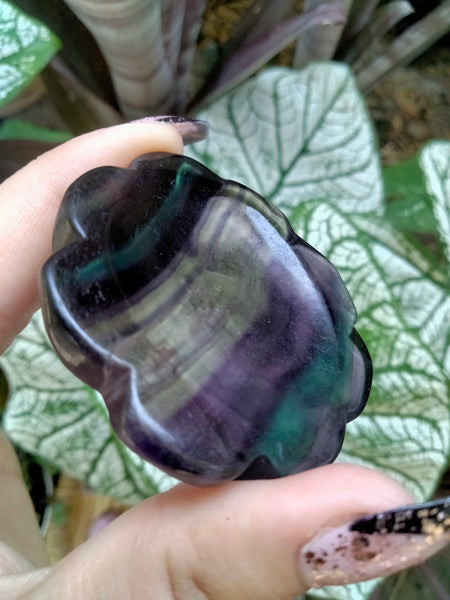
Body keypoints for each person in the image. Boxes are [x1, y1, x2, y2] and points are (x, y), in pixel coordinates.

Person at [0, 120, 448, 599]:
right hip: (215, 429)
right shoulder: (99, 280)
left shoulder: (189, 212)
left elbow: (290, 271)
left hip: (295, 380)